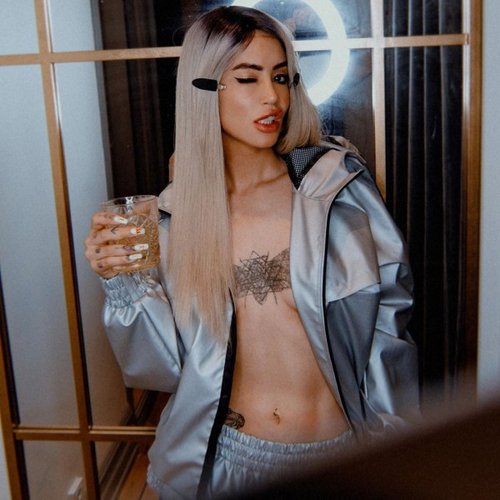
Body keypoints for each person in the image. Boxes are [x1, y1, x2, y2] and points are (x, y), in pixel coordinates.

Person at [84, 6, 419, 499]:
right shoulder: (175, 219)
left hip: (339, 452)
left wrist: (395, 444)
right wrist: (122, 282)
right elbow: (163, 369)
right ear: (203, 88)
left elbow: (389, 327)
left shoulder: (335, 192)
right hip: (227, 461)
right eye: (248, 78)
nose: (272, 97)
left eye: (281, 77)